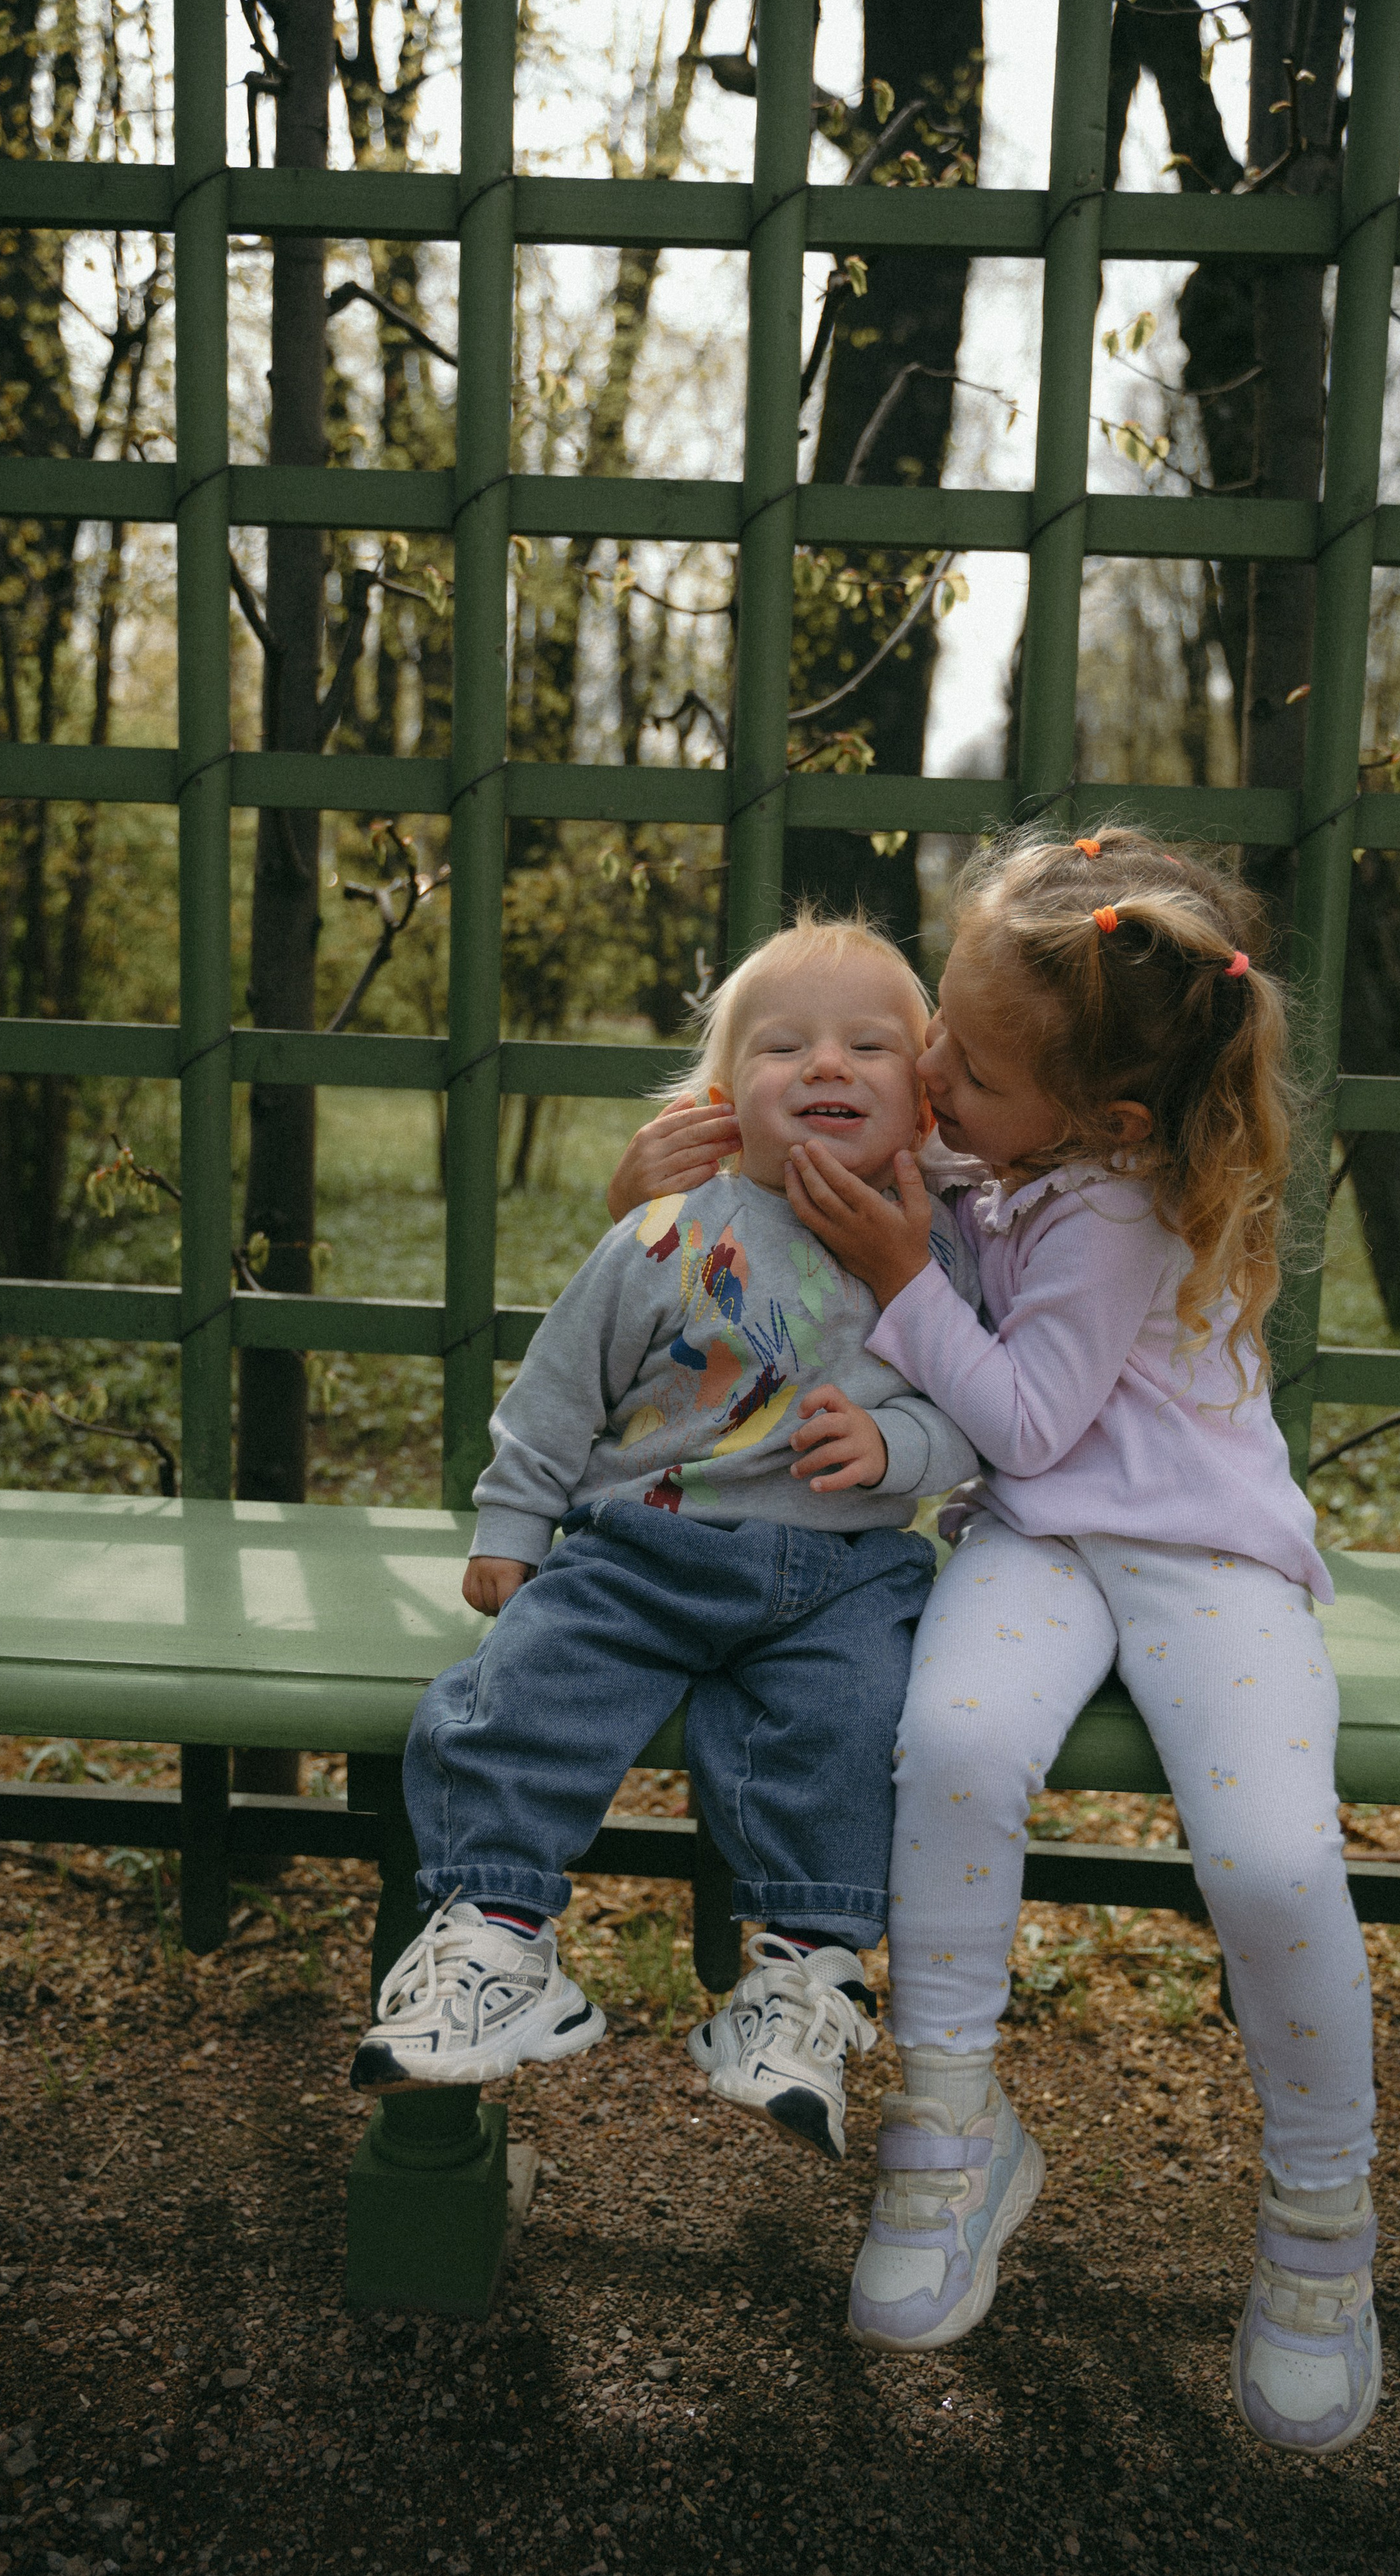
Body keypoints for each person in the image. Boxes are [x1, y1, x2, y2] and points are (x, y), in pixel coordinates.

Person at [618, 830, 1379, 2455]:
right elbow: (813, 1212)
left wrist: (904, 1270)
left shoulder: (1111, 1209)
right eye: (937, 1032)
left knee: (1262, 1859)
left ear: (1104, 1121)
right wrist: (687, 1174)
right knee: (951, 1749)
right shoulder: (992, 1152)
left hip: (1198, 1560)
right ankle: (948, 2135)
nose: (931, 1069)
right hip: (1032, 1545)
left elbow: (1028, 1421)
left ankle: (1320, 2220)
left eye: (965, 1057)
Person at [350, 911, 982, 2164]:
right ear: (718, 1101)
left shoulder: (939, 1244)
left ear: (927, 1103)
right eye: (784, 1046)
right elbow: (558, 1392)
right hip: (643, 1550)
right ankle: (493, 1933)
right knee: (519, 1686)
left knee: (856, 1724)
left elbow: (977, 1409)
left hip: (844, 1576)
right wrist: (514, 1523)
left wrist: (902, 1450)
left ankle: (805, 1983)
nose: (826, 1066)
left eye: (870, 1045)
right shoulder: (664, 1232)